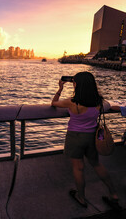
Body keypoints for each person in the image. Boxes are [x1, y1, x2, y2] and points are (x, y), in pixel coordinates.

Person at [51, 71, 119, 209]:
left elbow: (54, 103)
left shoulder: (72, 102)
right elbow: (110, 106)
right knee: (97, 164)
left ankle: (81, 198)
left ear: (77, 85)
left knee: (78, 168)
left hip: (75, 137)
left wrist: (60, 88)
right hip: (92, 137)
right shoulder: (99, 101)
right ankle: (113, 195)